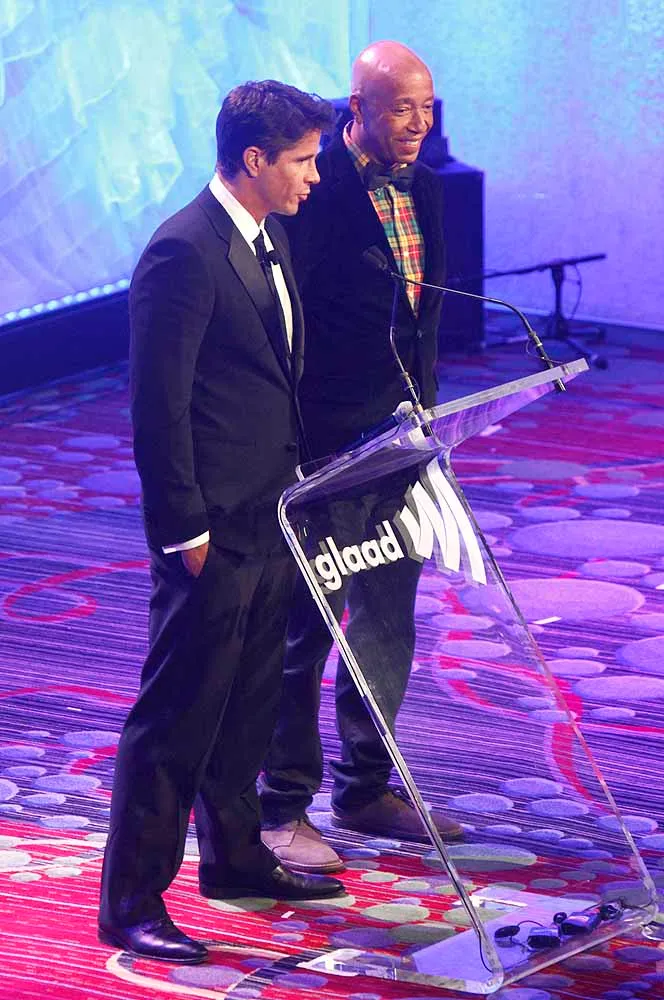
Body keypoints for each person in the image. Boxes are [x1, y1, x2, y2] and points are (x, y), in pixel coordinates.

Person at [98, 80, 340, 965]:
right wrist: (182, 531)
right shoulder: (184, 251)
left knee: (249, 705)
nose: (315, 176)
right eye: (303, 161)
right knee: (178, 717)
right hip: (209, 532)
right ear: (254, 159)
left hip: (272, 513)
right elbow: (157, 408)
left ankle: (235, 859)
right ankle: (130, 901)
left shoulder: (269, 234)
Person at [259, 42, 464, 874]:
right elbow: (284, 322)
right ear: (359, 109)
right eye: (401, 109)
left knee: (387, 622)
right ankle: (280, 806)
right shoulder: (313, 189)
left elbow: (422, 319)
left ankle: (364, 787)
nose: (418, 124)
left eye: (427, 108)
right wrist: (294, 445)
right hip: (328, 449)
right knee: (307, 630)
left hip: (405, 443)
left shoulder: (429, 188)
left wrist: (427, 419)